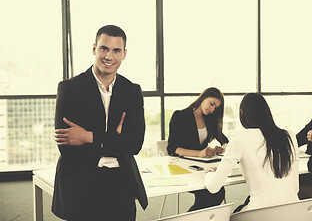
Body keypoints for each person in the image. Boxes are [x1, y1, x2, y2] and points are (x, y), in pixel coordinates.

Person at [51, 25, 147, 221]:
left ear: (124, 54)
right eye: (104, 48)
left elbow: (134, 144)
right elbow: (68, 147)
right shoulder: (69, 89)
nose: (109, 56)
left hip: (121, 182)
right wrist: (114, 140)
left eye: (116, 50)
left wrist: (88, 136)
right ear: (94, 48)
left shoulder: (132, 91)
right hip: (81, 182)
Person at [205, 93, 299, 212]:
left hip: (261, 214)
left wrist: (209, 172)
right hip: (294, 213)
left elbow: (213, 187)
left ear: (242, 113)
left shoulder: (240, 137)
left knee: (233, 214)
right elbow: (295, 188)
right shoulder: (289, 135)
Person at [167, 87, 229, 211]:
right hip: (184, 169)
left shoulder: (210, 120)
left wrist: (221, 148)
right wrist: (199, 153)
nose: (212, 109)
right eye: (212, 104)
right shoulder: (180, 116)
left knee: (217, 190)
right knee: (211, 193)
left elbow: (225, 141)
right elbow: (172, 148)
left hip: (202, 167)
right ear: (204, 97)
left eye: (215, 108)